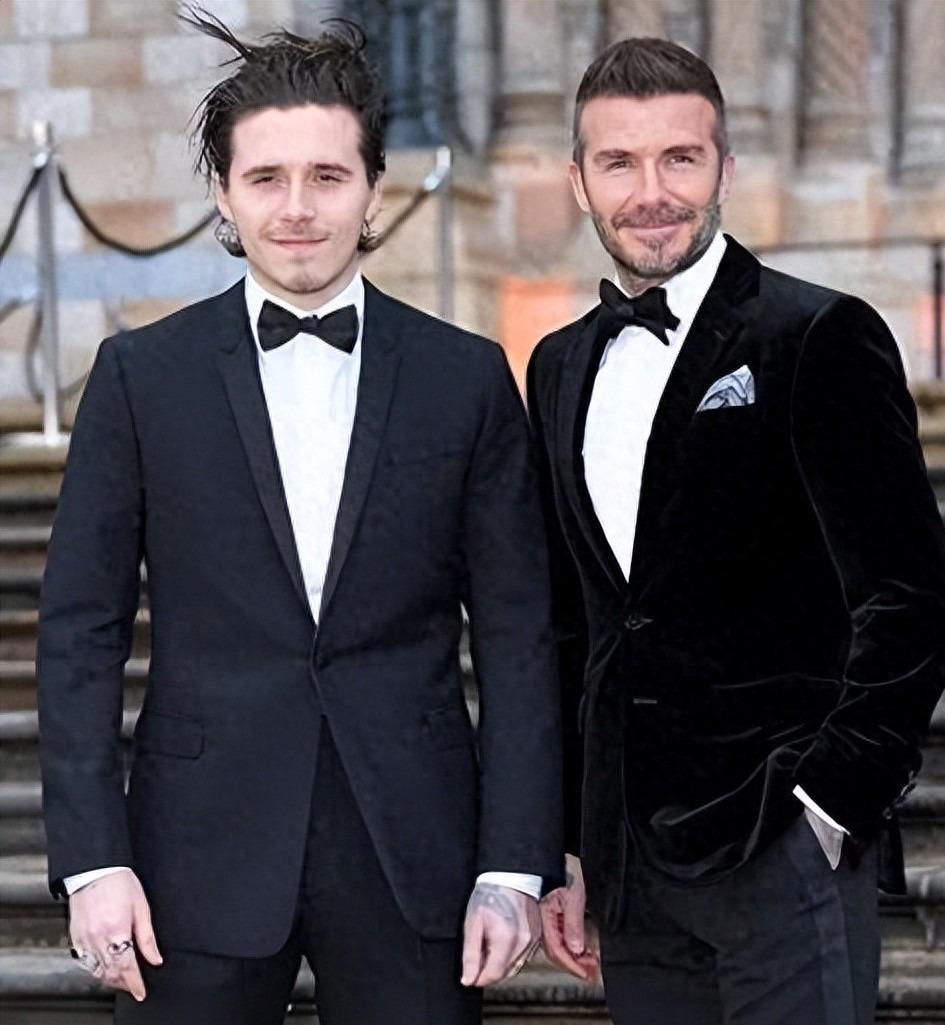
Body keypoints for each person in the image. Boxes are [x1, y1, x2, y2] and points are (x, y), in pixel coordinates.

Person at [37, 14, 563, 1025]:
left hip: (417, 854)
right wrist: (94, 858)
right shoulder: (140, 378)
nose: (296, 208)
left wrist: (514, 862)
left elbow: (518, 637)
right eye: (266, 178)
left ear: (374, 188)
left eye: (327, 176)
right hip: (191, 861)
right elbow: (77, 632)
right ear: (223, 194)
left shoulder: (465, 378)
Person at [530, 36, 945, 1025]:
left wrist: (830, 803)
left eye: (680, 158)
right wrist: (572, 842)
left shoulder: (817, 334)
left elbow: (908, 596)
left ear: (724, 167)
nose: (651, 193)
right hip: (633, 870)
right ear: (579, 182)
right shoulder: (556, 366)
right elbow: (572, 628)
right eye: (619, 163)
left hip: (780, 844)